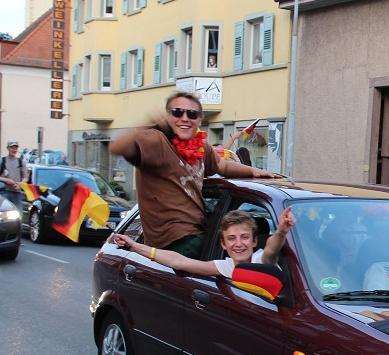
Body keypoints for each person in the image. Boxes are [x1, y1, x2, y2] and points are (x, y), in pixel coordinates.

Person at [108, 91, 278, 259]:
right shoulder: (156, 140)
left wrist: (254, 171)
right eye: (177, 112)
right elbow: (117, 147)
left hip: (197, 231)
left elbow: (221, 165)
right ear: (167, 117)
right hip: (174, 241)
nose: (185, 118)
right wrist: (148, 123)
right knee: (234, 253)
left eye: (192, 114)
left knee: (236, 247)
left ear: (199, 120)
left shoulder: (201, 146)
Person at [112, 207, 294, 277]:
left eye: (244, 237)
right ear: (223, 245)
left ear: (255, 241)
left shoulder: (261, 260)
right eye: (231, 238)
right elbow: (179, 261)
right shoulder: (226, 266)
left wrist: (280, 232)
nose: (239, 244)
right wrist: (134, 246)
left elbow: (272, 249)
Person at [0, 141, 29, 209]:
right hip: (4, 191)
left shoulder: (21, 162)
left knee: (19, 213)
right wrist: (6, 180)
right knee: (2, 211)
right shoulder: (1, 161)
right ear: (8, 148)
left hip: (17, 192)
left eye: (15, 148)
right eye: (12, 148)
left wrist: (20, 184)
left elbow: (25, 177)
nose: (14, 150)